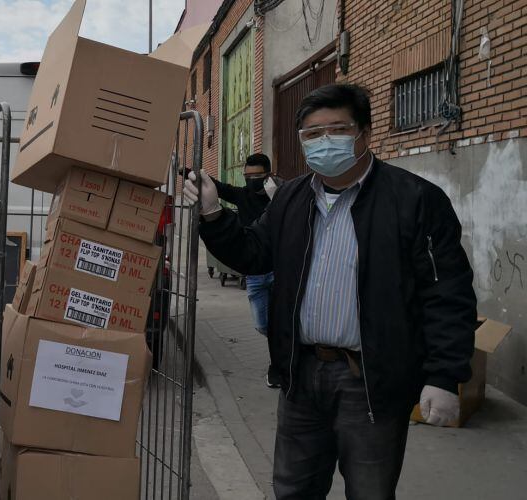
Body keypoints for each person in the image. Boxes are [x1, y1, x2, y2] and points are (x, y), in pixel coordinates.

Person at [184, 84, 476, 499]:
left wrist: (444, 376)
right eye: (312, 135)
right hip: (301, 375)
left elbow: (446, 293)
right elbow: (253, 254)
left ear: (365, 134)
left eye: (336, 130)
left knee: (370, 491)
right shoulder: (291, 198)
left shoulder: (415, 200)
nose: (323, 142)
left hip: (371, 381)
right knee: (293, 489)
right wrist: (213, 214)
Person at [205, 153, 282, 388]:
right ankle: (283, 348)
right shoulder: (243, 195)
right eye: (248, 176)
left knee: (280, 323)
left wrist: (278, 199)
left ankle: (278, 365)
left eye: (257, 176)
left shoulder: (283, 193)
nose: (252, 180)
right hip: (256, 272)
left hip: (280, 269)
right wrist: (185, 169)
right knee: (263, 325)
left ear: (269, 174)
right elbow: (216, 186)